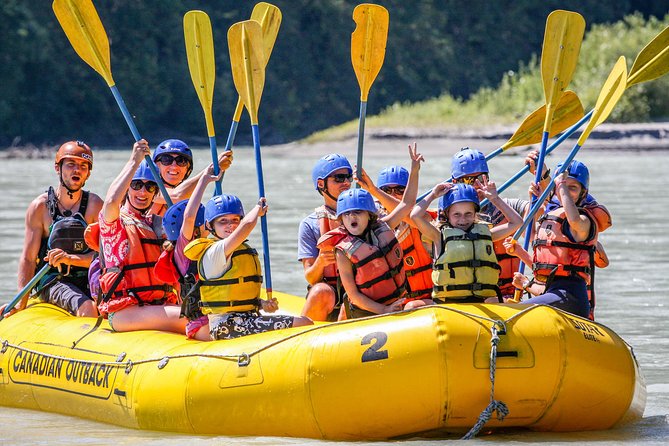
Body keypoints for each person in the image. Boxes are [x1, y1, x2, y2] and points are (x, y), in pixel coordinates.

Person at [184, 194, 313, 340]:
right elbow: (246, 226)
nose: (230, 225)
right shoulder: (215, 251)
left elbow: (234, 296)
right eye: (222, 221)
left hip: (246, 319)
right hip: (226, 326)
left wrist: (262, 304)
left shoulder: (235, 248)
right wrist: (258, 209)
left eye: (235, 220)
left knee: (303, 321)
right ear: (209, 225)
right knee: (304, 323)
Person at [317, 145, 423, 318]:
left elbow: (407, 204)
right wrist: (384, 311)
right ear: (341, 219)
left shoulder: (385, 226)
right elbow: (354, 295)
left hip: (395, 303)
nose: (352, 217)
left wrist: (415, 169)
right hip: (364, 313)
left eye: (358, 212)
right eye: (347, 214)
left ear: (369, 215)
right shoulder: (343, 252)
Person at [95, 140, 184, 333]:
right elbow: (110, 202)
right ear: (128, 188)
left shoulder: (159, 225)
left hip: (159, 305)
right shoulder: (115, 223)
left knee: (199, 315)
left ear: (156, 193)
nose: (143, 192)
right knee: (189, 320)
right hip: (125, 311)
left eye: (150, 187)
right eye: (136, 185)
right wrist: (134, 161)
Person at [504, 160, 608, 319]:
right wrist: (519, 252)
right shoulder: (553, 220)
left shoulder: (583, 221)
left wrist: (560, 184)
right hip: (554, 294)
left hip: (571, 298)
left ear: (583, 194)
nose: (565, 190)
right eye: (563, 185)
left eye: (572, 187)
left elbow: (573, 220)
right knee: (506, 309)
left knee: (511, 314)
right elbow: (542, 259)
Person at [15, 141, 102, 317]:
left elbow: (103, 258)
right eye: (71, 164)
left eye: (83, 166)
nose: (77, 170)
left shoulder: (95, 206)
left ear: (88, 173)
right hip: (52, 280)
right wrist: (20, 304)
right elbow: (29, 259)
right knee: (88, 308)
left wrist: (70, 259)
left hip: (87, 277)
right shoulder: (40, 207)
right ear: (58, 168)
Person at [450, 147, 539, 301]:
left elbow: (532, 225)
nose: (476, 185)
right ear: (454, 182)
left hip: (506, 295)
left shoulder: (510, 206)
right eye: (468, 180)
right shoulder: (450, 216)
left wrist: (541, 177)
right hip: (466, 296)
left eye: (481, 177)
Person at [411, 182, 522, 303]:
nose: (462, 220)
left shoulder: (486, 234)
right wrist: (433, 194)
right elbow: (415, 216)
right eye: (456, 214)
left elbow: (517, 222)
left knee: (495, 301)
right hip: (449, 303)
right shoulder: (438, 236)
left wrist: (495, 199)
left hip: (481, 301)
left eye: (468, 214)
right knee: (412, 306)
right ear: (447, 215)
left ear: (475, 214)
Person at [355, 158, 435, 309]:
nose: (394, 195)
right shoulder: (375, 225)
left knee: (410, 307)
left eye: (400, 190)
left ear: (408, 192)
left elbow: (406, 210)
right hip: (391, 304)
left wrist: (374, 190)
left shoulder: (420, 217)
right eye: (387, 191)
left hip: (425, 300)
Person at [298, 153, 354, 321]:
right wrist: (321, 261)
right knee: (321, 291)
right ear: (322, 184)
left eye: (348, 177)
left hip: (360, 293)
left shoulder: (364, 216)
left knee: (353, 297)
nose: (346, 183)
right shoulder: (310, 224)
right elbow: (310, 276)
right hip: (329, 297)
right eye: (339, 178)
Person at [149, 139, 233, 216]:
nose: (174, 166)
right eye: (166, 160)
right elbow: (178, 195)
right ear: (156, 165)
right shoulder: (146, 188)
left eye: (181, 161)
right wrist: (211, 169)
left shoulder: (190, 193)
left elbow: (201, 231)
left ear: (188, 168)